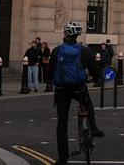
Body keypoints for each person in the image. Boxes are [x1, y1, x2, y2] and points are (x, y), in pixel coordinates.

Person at [48, 22, 103, 165]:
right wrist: (97, 78)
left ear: (66, 34)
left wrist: (51, 82)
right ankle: (94, 127)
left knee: (62, 124)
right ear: (77, 35)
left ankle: (63, 158)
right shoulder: (85, 51)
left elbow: (50, 71)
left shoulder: (57, 51)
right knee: (88, 103)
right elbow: (94, 70)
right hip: (79, 87)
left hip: (62, 90)